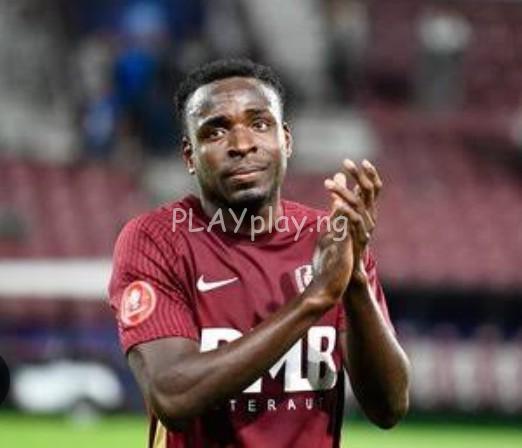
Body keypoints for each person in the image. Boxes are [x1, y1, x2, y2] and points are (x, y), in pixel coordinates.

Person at [108, 59, 410, 447]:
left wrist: (354, 283)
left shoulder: (331, 240)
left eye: (260, 124)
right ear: (189, 156)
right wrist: (315, 298)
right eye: (216, 131)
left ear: (286, 141)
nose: (241, 144)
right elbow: (173, 396)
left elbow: (389, 408)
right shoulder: (157, 241)